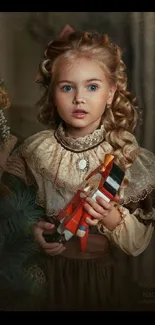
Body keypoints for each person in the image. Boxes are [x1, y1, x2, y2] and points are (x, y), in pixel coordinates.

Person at [4, 25, 155, 311]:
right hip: (46, 280)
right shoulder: (35, 151)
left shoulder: (128, 156)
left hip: (105, 279)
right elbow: (12, 214)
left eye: (93, 86)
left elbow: (138, 244)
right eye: (67, 87)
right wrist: (32, 232)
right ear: (53, 92)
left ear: (111, 92)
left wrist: (110, 217)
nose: (79, 98)